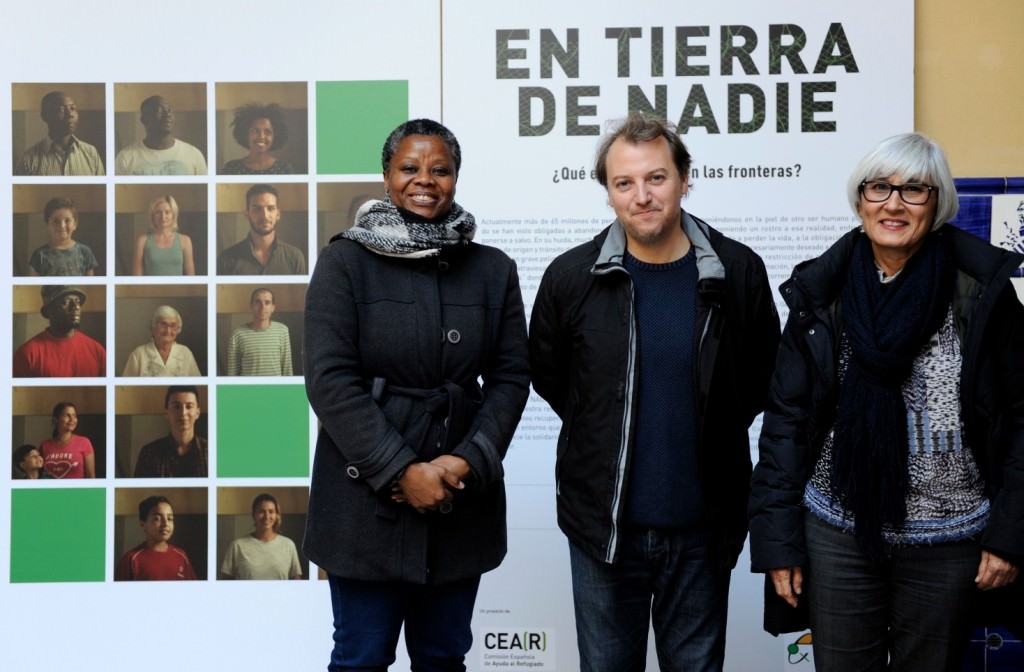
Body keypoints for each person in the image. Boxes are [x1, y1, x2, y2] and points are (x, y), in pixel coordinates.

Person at [748, 133, 1024, 671]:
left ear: (938, 203)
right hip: (839, 537)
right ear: (860, 200)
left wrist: (1011, 535)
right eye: (879, 188)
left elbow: (1021, 419)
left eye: (914, 190)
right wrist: (778, 542)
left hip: (950, 544)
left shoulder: (982, 292)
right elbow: (786, 422)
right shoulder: (820, 293)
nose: (893, 203)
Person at [529, 112, 780, 672]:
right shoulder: (571, 278)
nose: (642, 196)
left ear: (685, 177)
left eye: (657, 178)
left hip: (702, 530)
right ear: (609, 192)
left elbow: (761, 378)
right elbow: (553, 379)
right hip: (604, 529)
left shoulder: (738, 271)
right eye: (625, 183)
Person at [303, 118, 530, 671]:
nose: (424, 180)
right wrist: (400, 470)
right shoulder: (344, 262)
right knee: (360, 657)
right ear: (386, 176)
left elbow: (511, 377)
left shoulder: (492, 269)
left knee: (443, 657)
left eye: (440, 169)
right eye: (409, 168)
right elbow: (329, 380)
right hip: (363, 502)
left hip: (460, 497)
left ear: (455, 177)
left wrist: (467, 461)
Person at [13, 285, 106, 378]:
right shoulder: (27, 354)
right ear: (49, 310)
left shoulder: (98, 351)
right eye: (65, 302)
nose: (76, 307)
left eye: (77, 301)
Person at [217, 184, 307, 275]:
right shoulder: (226, 259)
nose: (264, 216)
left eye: (271, 208)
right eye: (257, 209)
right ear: (247, 214)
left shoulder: (295, 257)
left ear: (278, 214)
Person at [15, 91, 104, 176]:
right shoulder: (28, 160)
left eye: (73, 108)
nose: (70, 114)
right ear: (45, 116)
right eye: (61, 110)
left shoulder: (91, 153)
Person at [115, 95, 207, 175]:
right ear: (144, 119)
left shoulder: (193, 155)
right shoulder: (125, 157)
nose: (167, 114)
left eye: (169, 110)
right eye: (159, 110)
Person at [220, 493, 303, 580]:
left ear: (276, 515)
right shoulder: (237, 546)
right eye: (261, 512)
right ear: (253, 515)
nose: (266, 516)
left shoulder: (288, 545)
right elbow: (225, 583)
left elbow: (296, 582)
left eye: (271, 512)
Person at [115, 495, 198, 581]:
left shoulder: (181, 556)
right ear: (143, 523)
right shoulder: (131, 559)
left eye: (170, 518)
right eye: (157, 518)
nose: (165, 524)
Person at [133, 386, 207, 477]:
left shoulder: (212, 452)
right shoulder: (149, 454)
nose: (183, 413)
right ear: (167, 413)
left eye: (189, 406)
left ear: (197, 413)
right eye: (177, 407)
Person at [226, 287, 292, 376]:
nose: (262, 307)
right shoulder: (237, 334)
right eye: (258, 302)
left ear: (273, 307)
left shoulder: (282, 330)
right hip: (248, 389)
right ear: (251, 306)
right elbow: (232, 374)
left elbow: (287, 368)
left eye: (267, 302)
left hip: (276, 389)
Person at [122, 305, 202, 377]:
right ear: (153, 328)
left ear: (178, 329)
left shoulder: (185, 353)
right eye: (163, 324)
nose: (168, 331)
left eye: (173, 325)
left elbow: (199, 386)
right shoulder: (139, 354)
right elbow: (124, 388)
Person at [28, 197, 99, 276]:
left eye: (67, 221)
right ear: (47, 224)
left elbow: (90, 286)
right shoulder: (39, 255)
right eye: (56, 221)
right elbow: (33, 286)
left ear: (75, 224)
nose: (62, 226)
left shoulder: (85, 252)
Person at [221, 102, 295, 175]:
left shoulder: (284, 168)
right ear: (245, 134)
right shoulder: (232, 168)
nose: (261, 136)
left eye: (267, 131)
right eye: (255, 131)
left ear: (275, 136)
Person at [131, 194, 197, 276]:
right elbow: (136, 278)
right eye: (158, 212)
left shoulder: (185, 240)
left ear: (173, 215)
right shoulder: (142, 241)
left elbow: (191, 277)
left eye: (167, 212)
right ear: (152, 216)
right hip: (150, 289)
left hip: (178, 289)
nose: (163, 216)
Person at [38, 401, 96, 479]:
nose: (72, 419)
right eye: (67, 415)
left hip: (77, 491)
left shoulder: (84, 442)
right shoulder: (45, 445)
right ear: (55, 419)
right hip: (51, 491)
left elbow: (91, 477)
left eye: (74, 416)